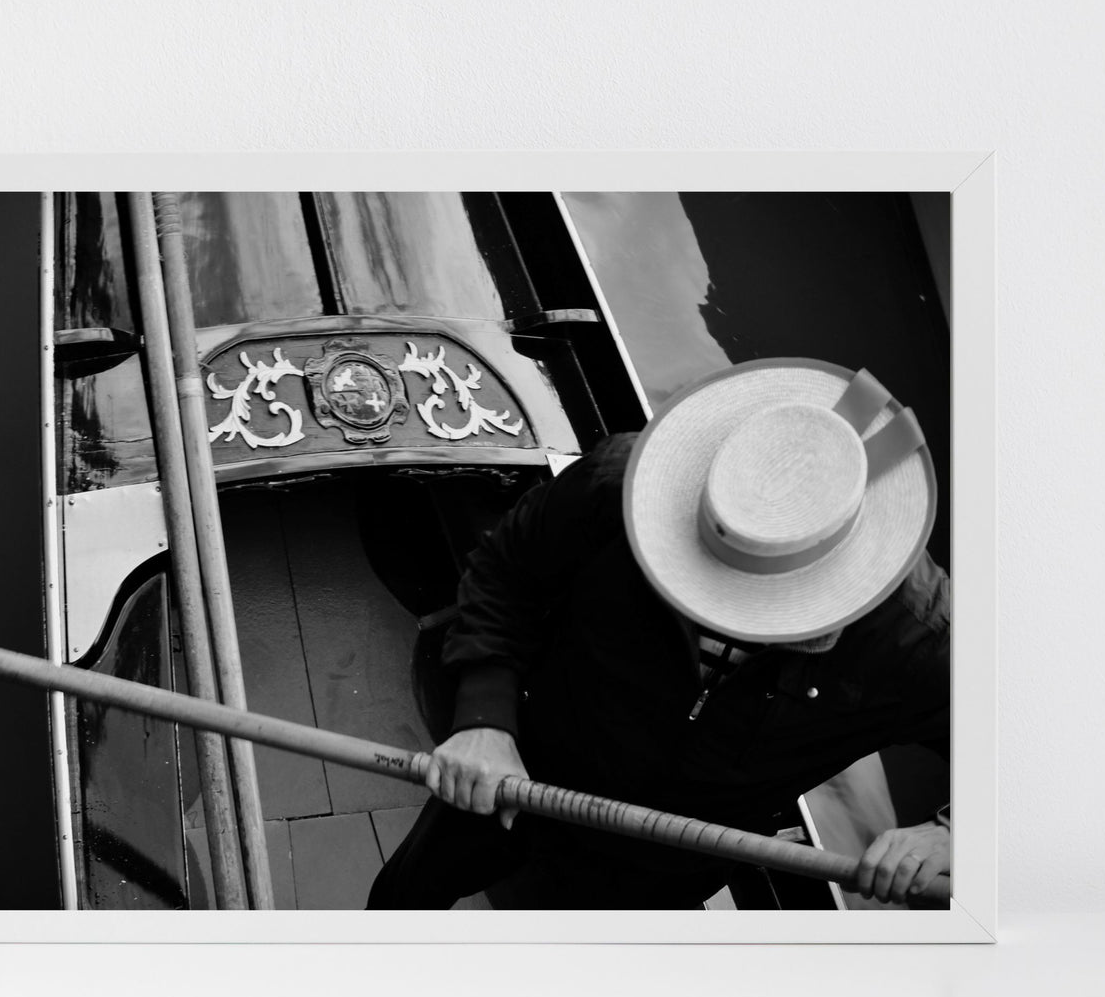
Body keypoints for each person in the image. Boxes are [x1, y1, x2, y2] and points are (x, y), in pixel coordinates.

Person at [368, 358, 951, 910]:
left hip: (665, 862)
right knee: (405, 896)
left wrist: (953, 833)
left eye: (758, 604)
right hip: (523, 764)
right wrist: (484, 721)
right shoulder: (622, 482)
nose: (720, 612)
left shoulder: (925, 640)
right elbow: (508, 569)